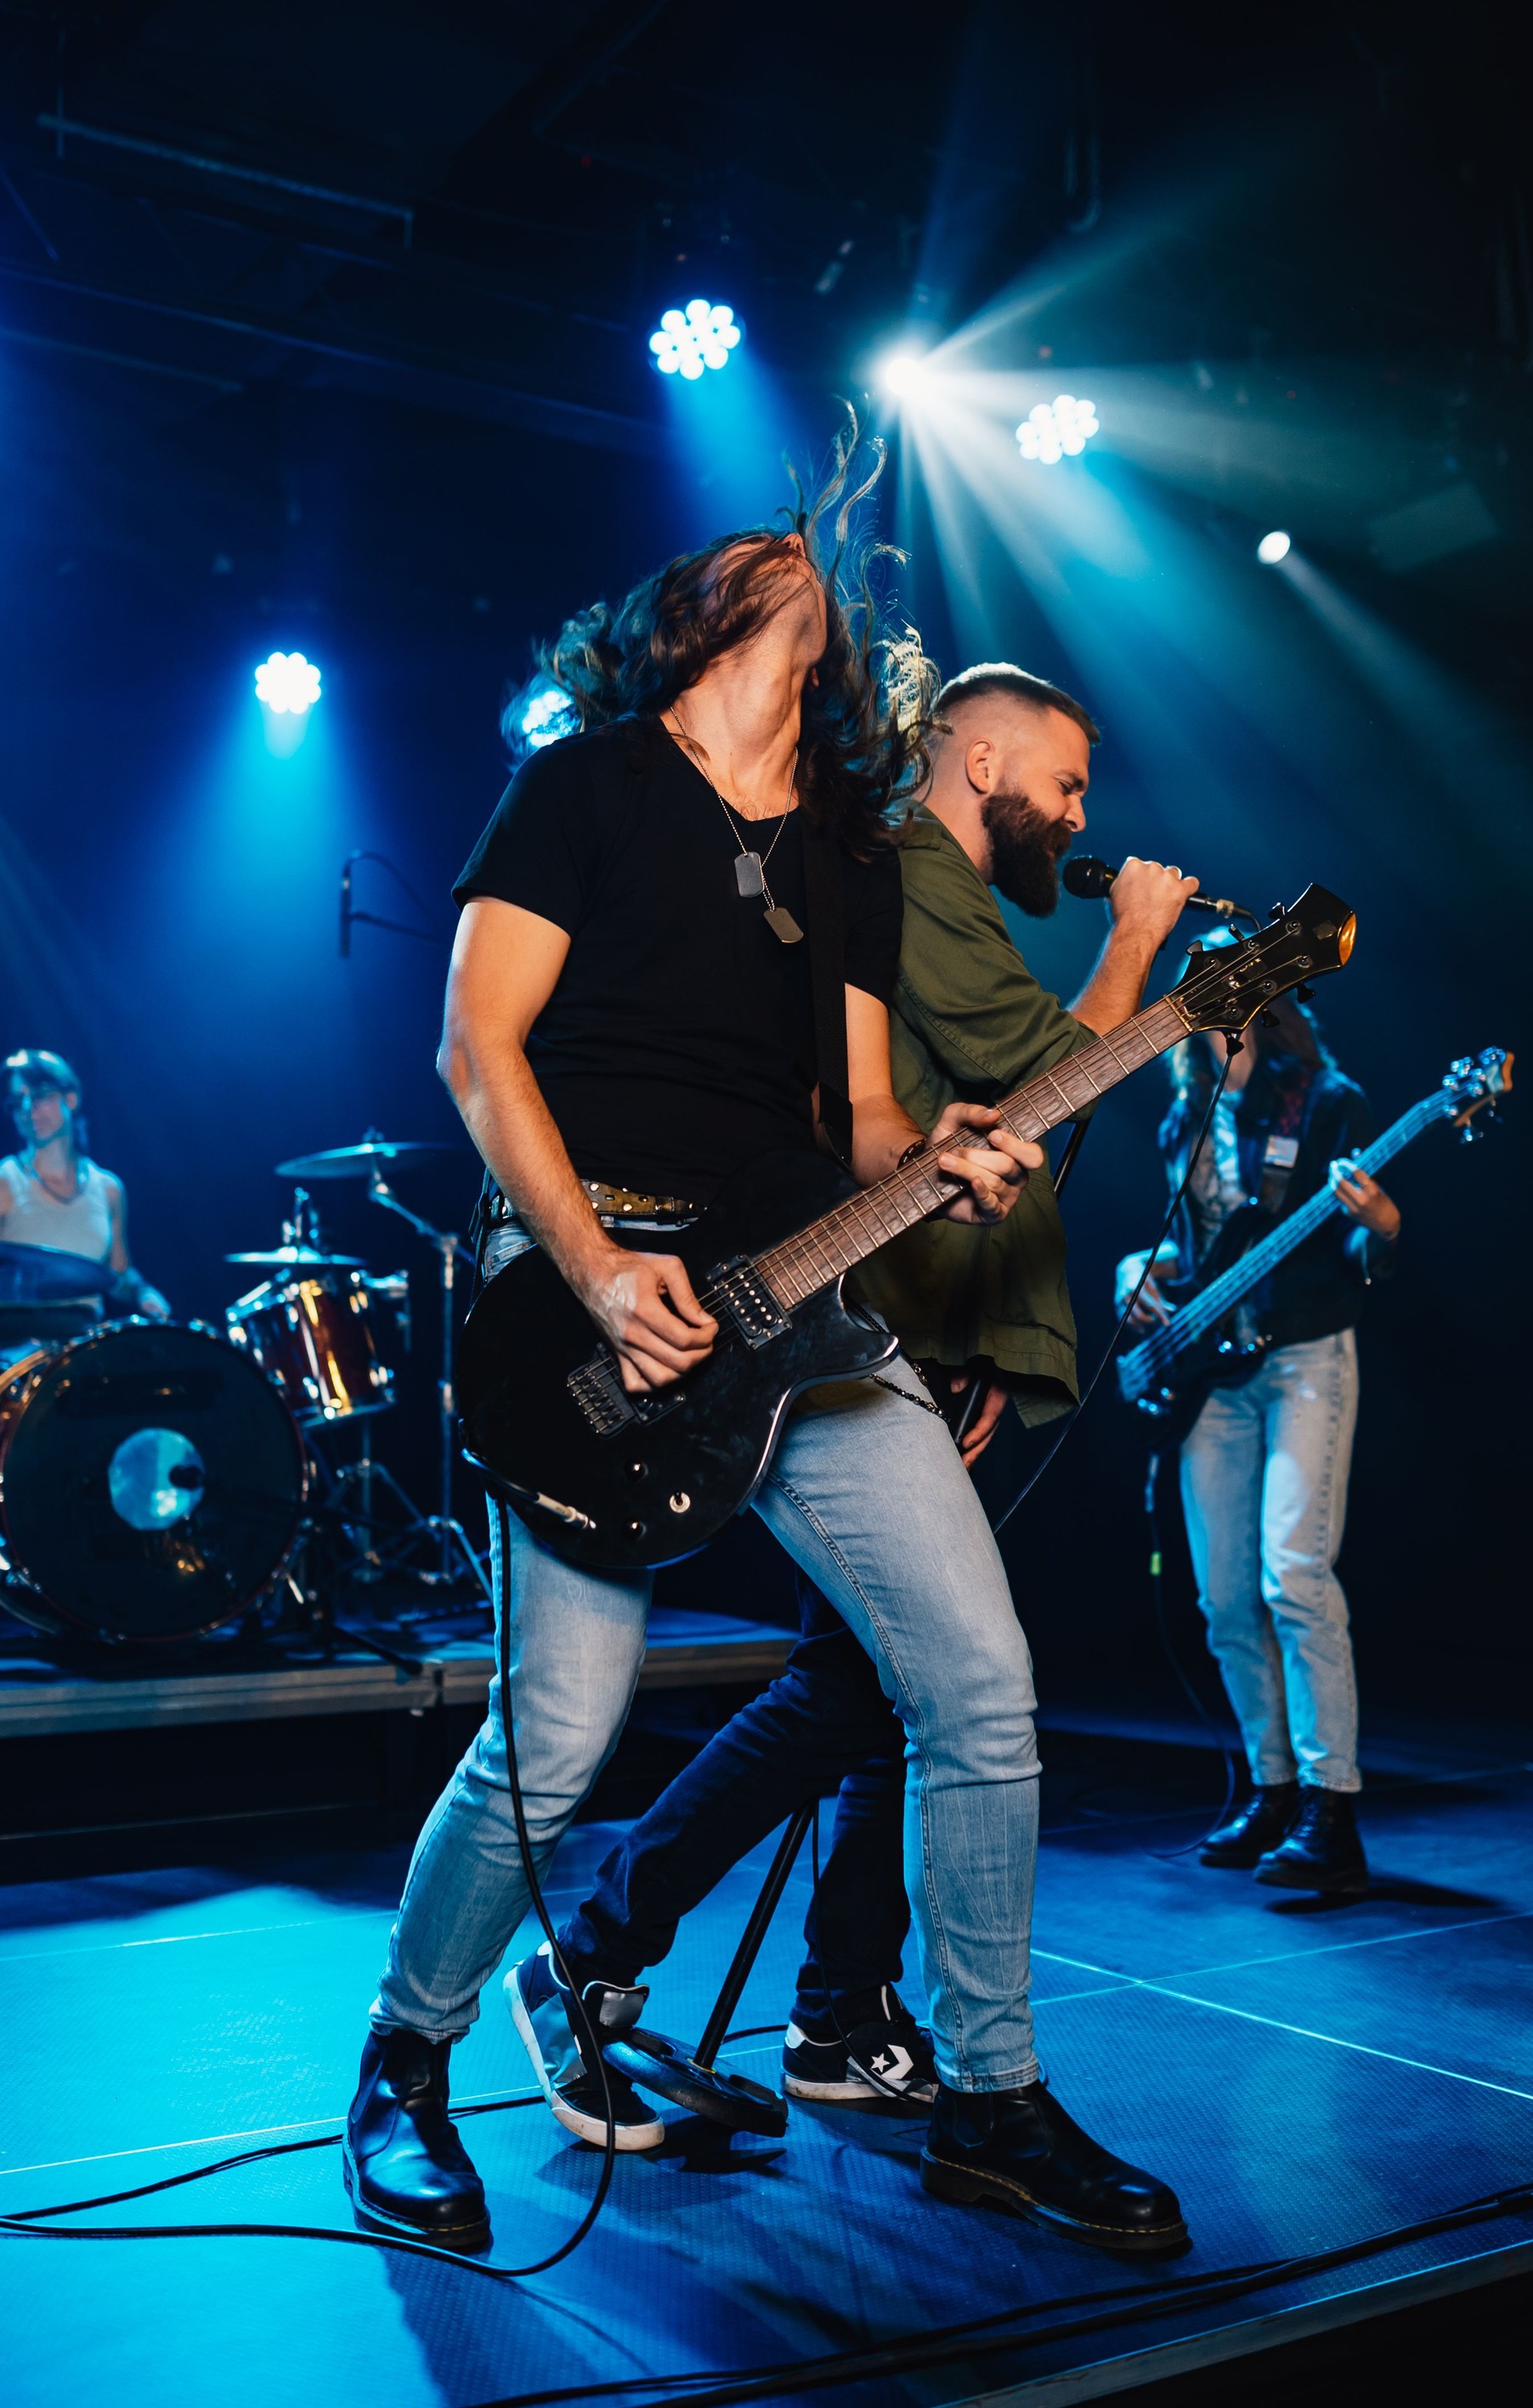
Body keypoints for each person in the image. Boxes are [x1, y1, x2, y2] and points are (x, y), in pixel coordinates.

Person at [344, 441, 1192, 2258]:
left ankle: (987, 2097)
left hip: (801, 1282)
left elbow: (870, 1120)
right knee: (553, 1747)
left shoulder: (845, 852)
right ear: (701, 621)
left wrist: (946, 1163)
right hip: (590, 1290)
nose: (796, 564)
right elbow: (480, 1051)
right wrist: (586, 1268)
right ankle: (405, 2063)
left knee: (976, 1687)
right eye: (765, 555)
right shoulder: (578, 788)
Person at [540, 664, 1198, 2128]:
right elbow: (1044, 1079)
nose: (1080, 815)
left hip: (920, 1331)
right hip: (872, 1327)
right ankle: (609, 1950)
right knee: (870, 1684)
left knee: (877, 1687)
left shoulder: (926, 889)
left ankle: (826, 2008)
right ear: (976, 758)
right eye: (1066, 782)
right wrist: (1138, 941)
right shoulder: (917, 869)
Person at [1115, 969, 1400, 1895]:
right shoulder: (1182, 1117)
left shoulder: (1323, 1100)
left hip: (1306, 1355)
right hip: (1211, 1375)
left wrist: (1382, 1226)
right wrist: (1136, 1270)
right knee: (1225, 1601)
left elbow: (1354, 1251)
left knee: (1295, 1577)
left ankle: (1332, 1807)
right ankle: (1272, 1790)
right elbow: (1192, 1245)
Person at [0, 1049, 168, 1351]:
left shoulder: (109, 1189)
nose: (28, 1109)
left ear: (70, 1098)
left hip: (82, 1352)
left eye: (39, 1095)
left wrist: (144, 1293)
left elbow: (120, 1275)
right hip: (10, 1351)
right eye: (17, 1101)